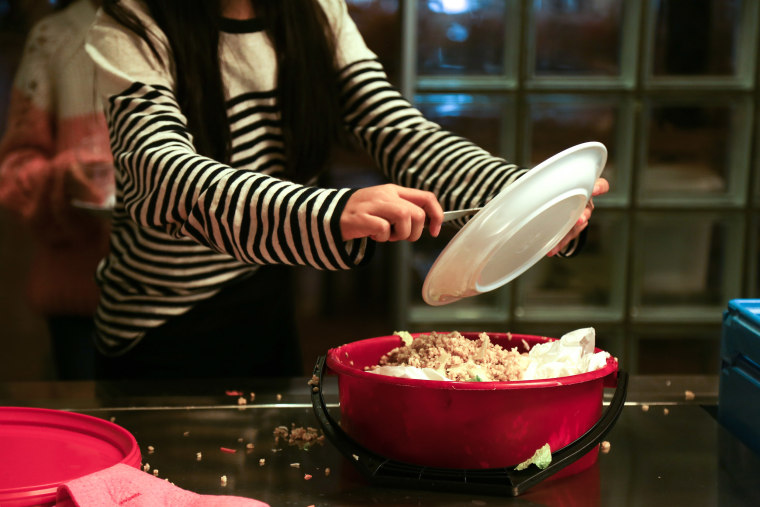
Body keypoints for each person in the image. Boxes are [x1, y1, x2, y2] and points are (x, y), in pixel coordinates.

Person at [84, 0, 608, 380]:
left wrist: (524, 196)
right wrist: (329, 213)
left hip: (265, 295)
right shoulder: (130, 23)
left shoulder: (315, 12)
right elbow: (159, 175)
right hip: (158, 323)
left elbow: (395, 129)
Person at [0, 0, 113, 380]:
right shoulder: (56, 37)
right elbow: (14, 173)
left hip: (187, 299)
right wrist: (64, 179)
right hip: (81, 296)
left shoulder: (183, 29)